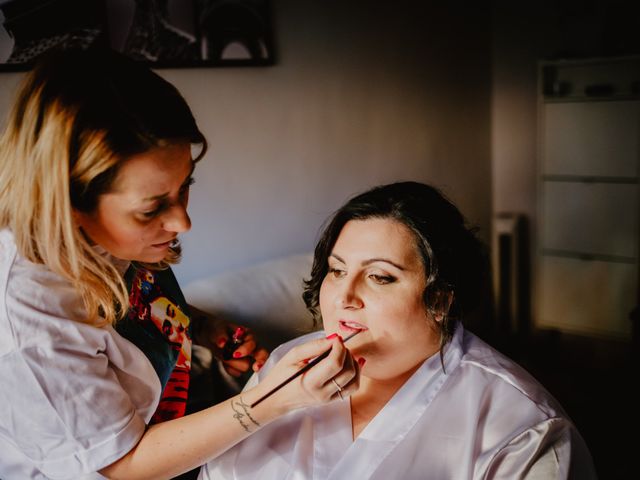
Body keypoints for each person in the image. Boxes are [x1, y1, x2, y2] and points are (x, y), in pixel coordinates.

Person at [0, 46, 361, 479]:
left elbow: (131, 310)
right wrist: (273, 399)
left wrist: (203, 328)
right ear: (69, 203)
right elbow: (122, 467)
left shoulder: (112, 238)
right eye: (152, 209)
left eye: (184, 186)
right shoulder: (28, 323)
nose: (183, 222)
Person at [200, 181, 597, 479]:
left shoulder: (523, 426)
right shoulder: (285, 366)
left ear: (440, 299)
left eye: (380, 277)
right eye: (337, 271)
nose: (344, 296)